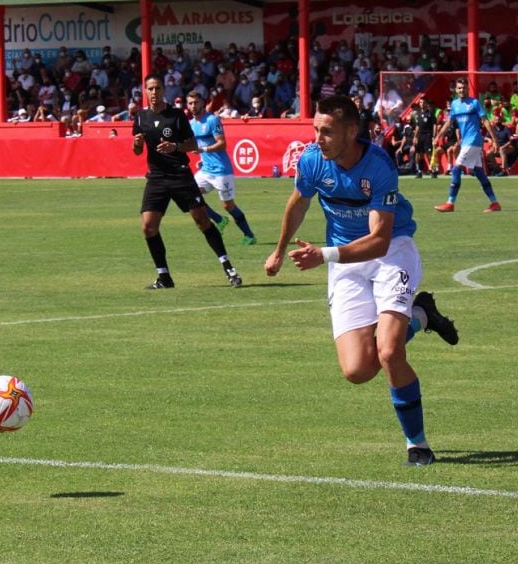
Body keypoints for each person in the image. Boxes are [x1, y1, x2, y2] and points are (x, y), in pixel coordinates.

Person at [264, 95, 459, 466]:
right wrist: (278, 251)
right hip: (345, 263)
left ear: (351, 132)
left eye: (327, 131)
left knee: (389, 351)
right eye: (316, 130)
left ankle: (416, 444)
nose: (318, 138)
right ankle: (420, 316)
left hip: (390, 253)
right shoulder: (311, 161)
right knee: (357, 370)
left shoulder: (379, 166)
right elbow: (299, 202)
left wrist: (324, 254)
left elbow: (379, 240)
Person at [132, 74, 243, 289]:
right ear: (145, 92)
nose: (154, 93)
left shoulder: (176, 116)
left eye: (157, 88)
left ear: (164, 91)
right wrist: (136, 144)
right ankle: (164, 277)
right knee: (148, 227)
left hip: (180, 174)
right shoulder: (140, 117)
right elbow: (137, 151)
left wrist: (175, 147)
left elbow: (191, 143)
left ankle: (229, 268)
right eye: (150, 89)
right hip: (156, 177)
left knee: (202, 221)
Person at [186, 90, 257, 246]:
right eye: (190, 103)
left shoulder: (212, 120)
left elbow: (222, 143)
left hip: (221, 170)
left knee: (228, 205)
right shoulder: (191, 124)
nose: (193, 106)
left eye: (196, 102)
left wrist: (202, 151)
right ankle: (219, 219)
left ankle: (249, 235)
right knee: (190, 195)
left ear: (202, 103)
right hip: (206, 170)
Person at [434, 77, 501, 213]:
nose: (461, 90)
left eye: (464, 88)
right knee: (479, 172)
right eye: (459, 88)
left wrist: (495, 140)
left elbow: (486, 122)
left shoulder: (475, 103)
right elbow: (448, 123)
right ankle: (494, 203)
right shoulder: (454, 105)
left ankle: (450, 203)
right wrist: (438, 136)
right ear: (456, 90)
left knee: (456, 169)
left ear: (467, 89)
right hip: (466, 142)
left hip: (474, 140)